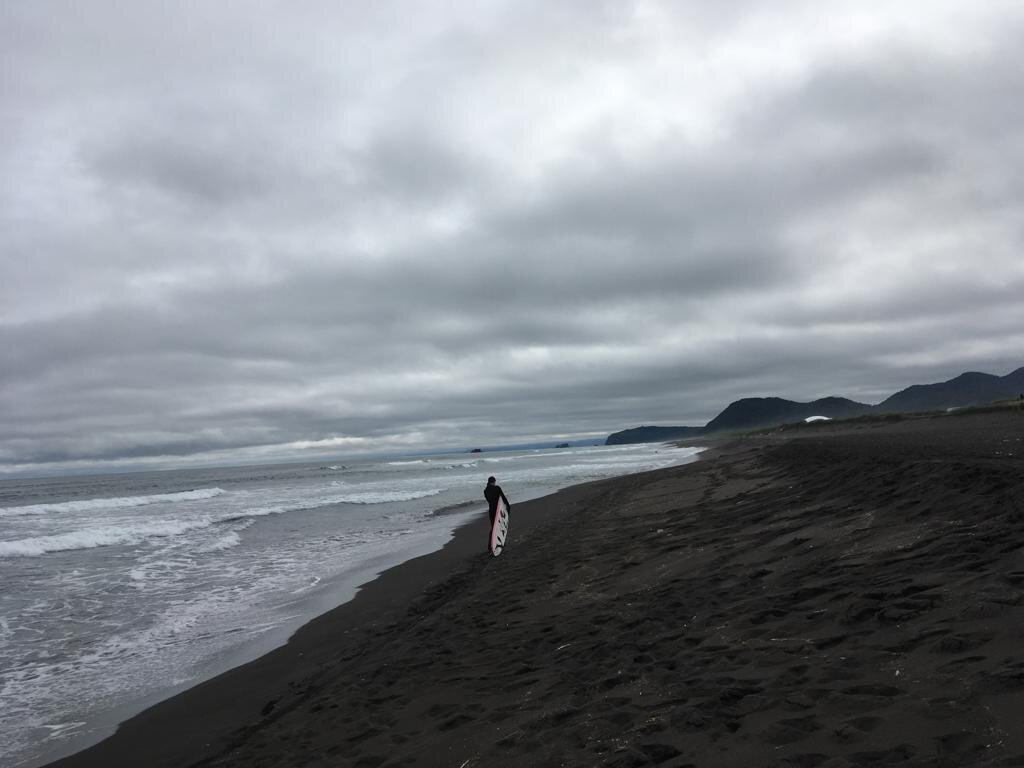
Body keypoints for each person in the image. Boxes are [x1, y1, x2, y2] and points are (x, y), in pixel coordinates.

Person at [483, 476, 510, 551]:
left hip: (491, 511)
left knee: (493, 528)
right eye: (495, 481)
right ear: (494, 481)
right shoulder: (497, 488)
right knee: (499, 526)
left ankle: (490, 546)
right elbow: (503, 498)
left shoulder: (485, 491)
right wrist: (508, 506)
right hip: (498, 511)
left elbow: (489, 501)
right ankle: (499, 543)